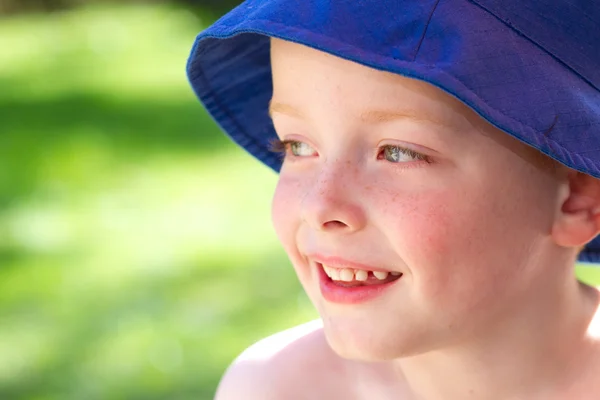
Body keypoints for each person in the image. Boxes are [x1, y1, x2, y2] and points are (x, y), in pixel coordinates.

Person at [186, 1, 600, 398]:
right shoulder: (275, 388)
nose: (320, 207)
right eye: (296, 145)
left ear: (577, 197)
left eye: (398, 152)